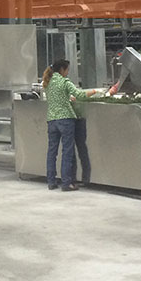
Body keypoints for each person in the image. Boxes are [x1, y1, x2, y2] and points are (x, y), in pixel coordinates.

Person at [42, 59, 99, 192]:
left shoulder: (47, 82)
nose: (67, 72)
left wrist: (68, 98)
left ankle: (51, 181)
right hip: (66, 120)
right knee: (67, 152)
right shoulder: (65, 82)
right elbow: (80, 95)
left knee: (52, 152)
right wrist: (95, 91)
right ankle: (66, 183)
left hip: (52, 120)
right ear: (62, 69)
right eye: (67, 70)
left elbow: (57, 98)